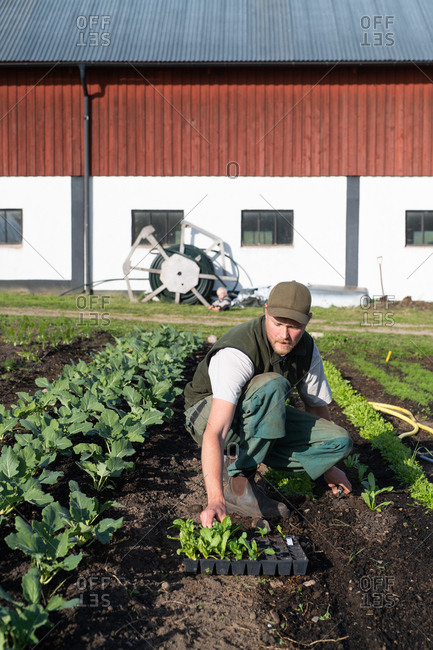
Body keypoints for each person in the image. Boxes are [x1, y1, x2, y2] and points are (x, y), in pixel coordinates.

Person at [184, 281, 353, 528]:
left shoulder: (306, 348)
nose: (284, 335)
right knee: (273, 385)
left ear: (308, 321)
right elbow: (216, 430)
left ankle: (250, 455)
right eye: (277, 324)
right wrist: (215, 499)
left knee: (339, 442)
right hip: (206, 412)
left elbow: (316, 407)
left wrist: (328, 466)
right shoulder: (237, 350)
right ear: (265, 311)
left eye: (294, 326)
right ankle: (238, 486)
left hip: (254, 414)